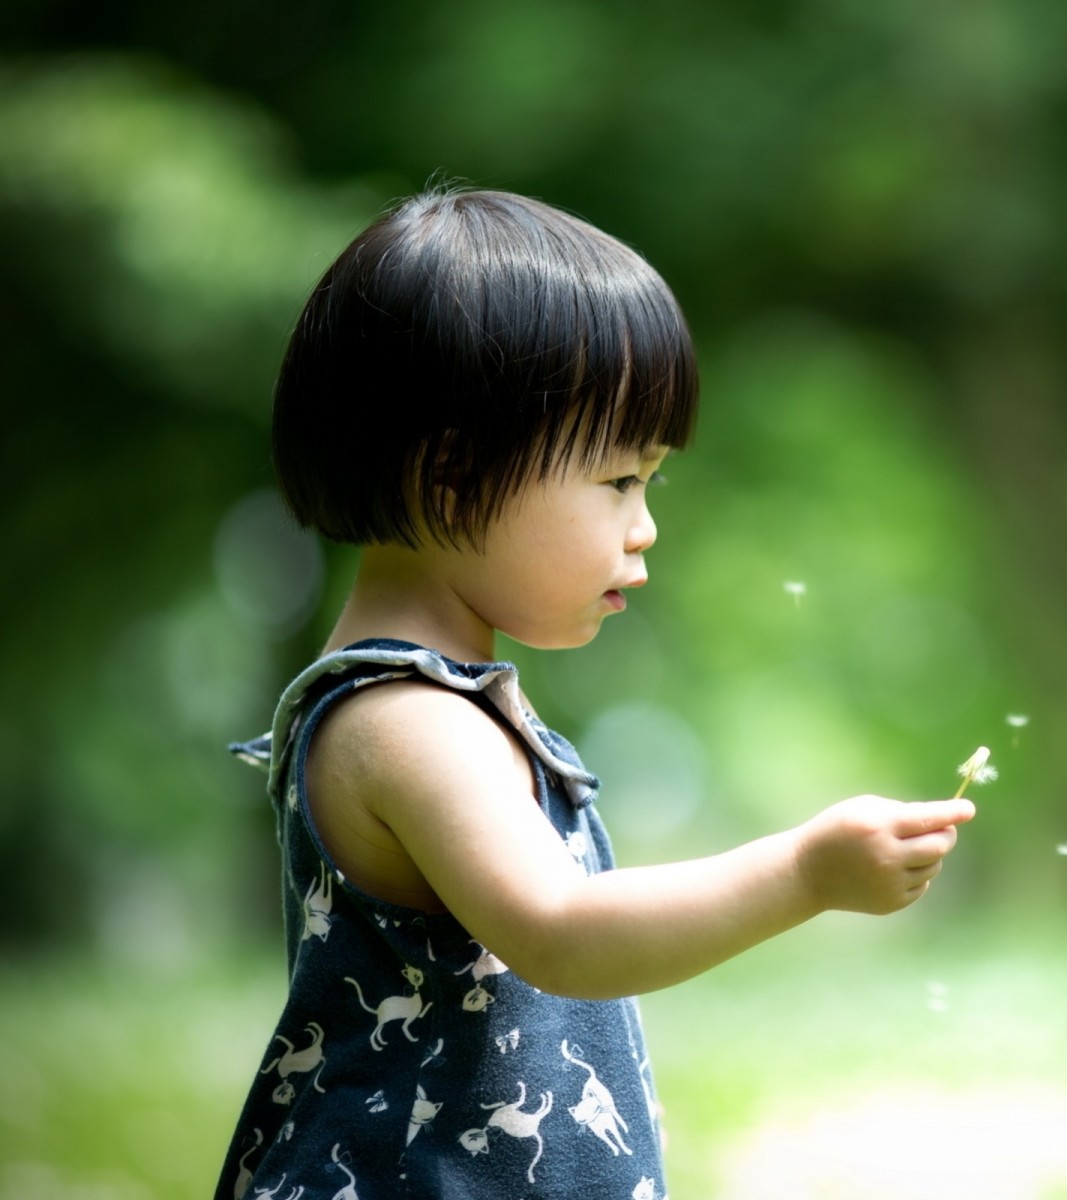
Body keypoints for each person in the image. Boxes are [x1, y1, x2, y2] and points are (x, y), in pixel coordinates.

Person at [215, 186, 976, 1199]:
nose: (645, 522)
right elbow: (560, 932)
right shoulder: (407, 723)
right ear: (451, 476)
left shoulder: (438, 707)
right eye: (619, 480)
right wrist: (803, 875)